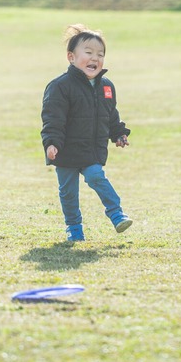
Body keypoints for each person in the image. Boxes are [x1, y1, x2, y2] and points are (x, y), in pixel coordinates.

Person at [41, 24, 134, 242]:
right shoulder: (60, 86)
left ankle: (116, 213)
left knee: (96, 176)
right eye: (89, 53)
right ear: (71, 57)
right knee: (68, 193)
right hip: (65, 151)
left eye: (100, 54)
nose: (95, 58)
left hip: (91, 149)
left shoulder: (106, 86)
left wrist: (118, 133)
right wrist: (51, 142)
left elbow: (110, 114)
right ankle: (74, 229)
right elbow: (52, 118)